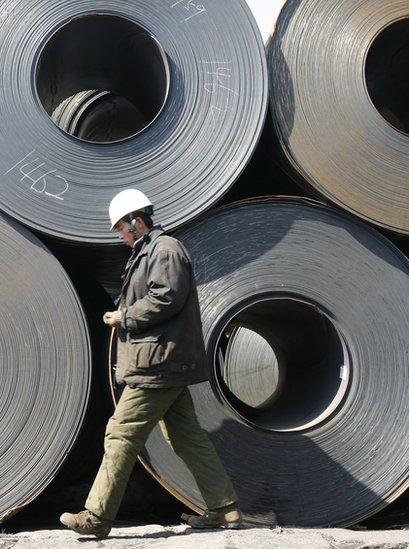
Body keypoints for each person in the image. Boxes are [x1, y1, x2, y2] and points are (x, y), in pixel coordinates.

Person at [60, 189, 241, 538]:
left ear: (136, 221)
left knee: (121, 433)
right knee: (186, 436)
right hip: (163, 360)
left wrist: (124, 317)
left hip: (158, 363)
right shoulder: (148, 252)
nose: (120, 235)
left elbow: (166, 297)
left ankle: (96, 517)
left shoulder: (165, 250)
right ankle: (225, 509)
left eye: (121, 228)